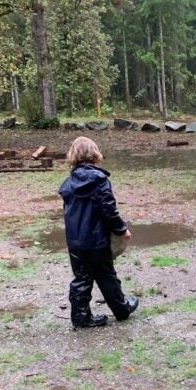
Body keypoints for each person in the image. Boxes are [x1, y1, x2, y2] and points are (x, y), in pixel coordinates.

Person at [58, 137, 139, 329]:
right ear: (95, 154)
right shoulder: (100, 181)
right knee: (106, 275)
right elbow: (109, 210)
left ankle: (80, 316)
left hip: (76, 241)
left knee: (82, 278)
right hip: (96, 240)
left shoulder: (68, 184)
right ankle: (121, 309)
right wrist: (122, 229)